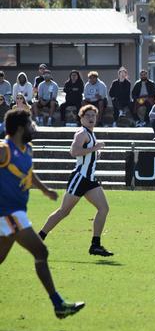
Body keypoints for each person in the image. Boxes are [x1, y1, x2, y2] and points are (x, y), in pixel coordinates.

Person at [0, 109, 85, 319]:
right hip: (8, 214)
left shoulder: (27, 149)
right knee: (41, 251)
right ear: (20, 128)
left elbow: (28, 173)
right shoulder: (4, 149)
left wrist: (44, 189)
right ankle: (58, 305)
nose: (32, 127)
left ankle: (59, 306)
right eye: (29, 124)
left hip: (17, 212)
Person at [38, 105, 114, 257]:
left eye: (93, 115)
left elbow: (78, 152)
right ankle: (39, 239)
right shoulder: (82, 133)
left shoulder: (91, 134)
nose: (91, 118)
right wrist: (94, 149)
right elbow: (74, 151)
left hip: (90, 179)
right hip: (80, 178)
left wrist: (94, 154)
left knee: (104, 208)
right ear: (81, 118)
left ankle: (95, 245)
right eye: (88, 116)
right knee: (64, 211)